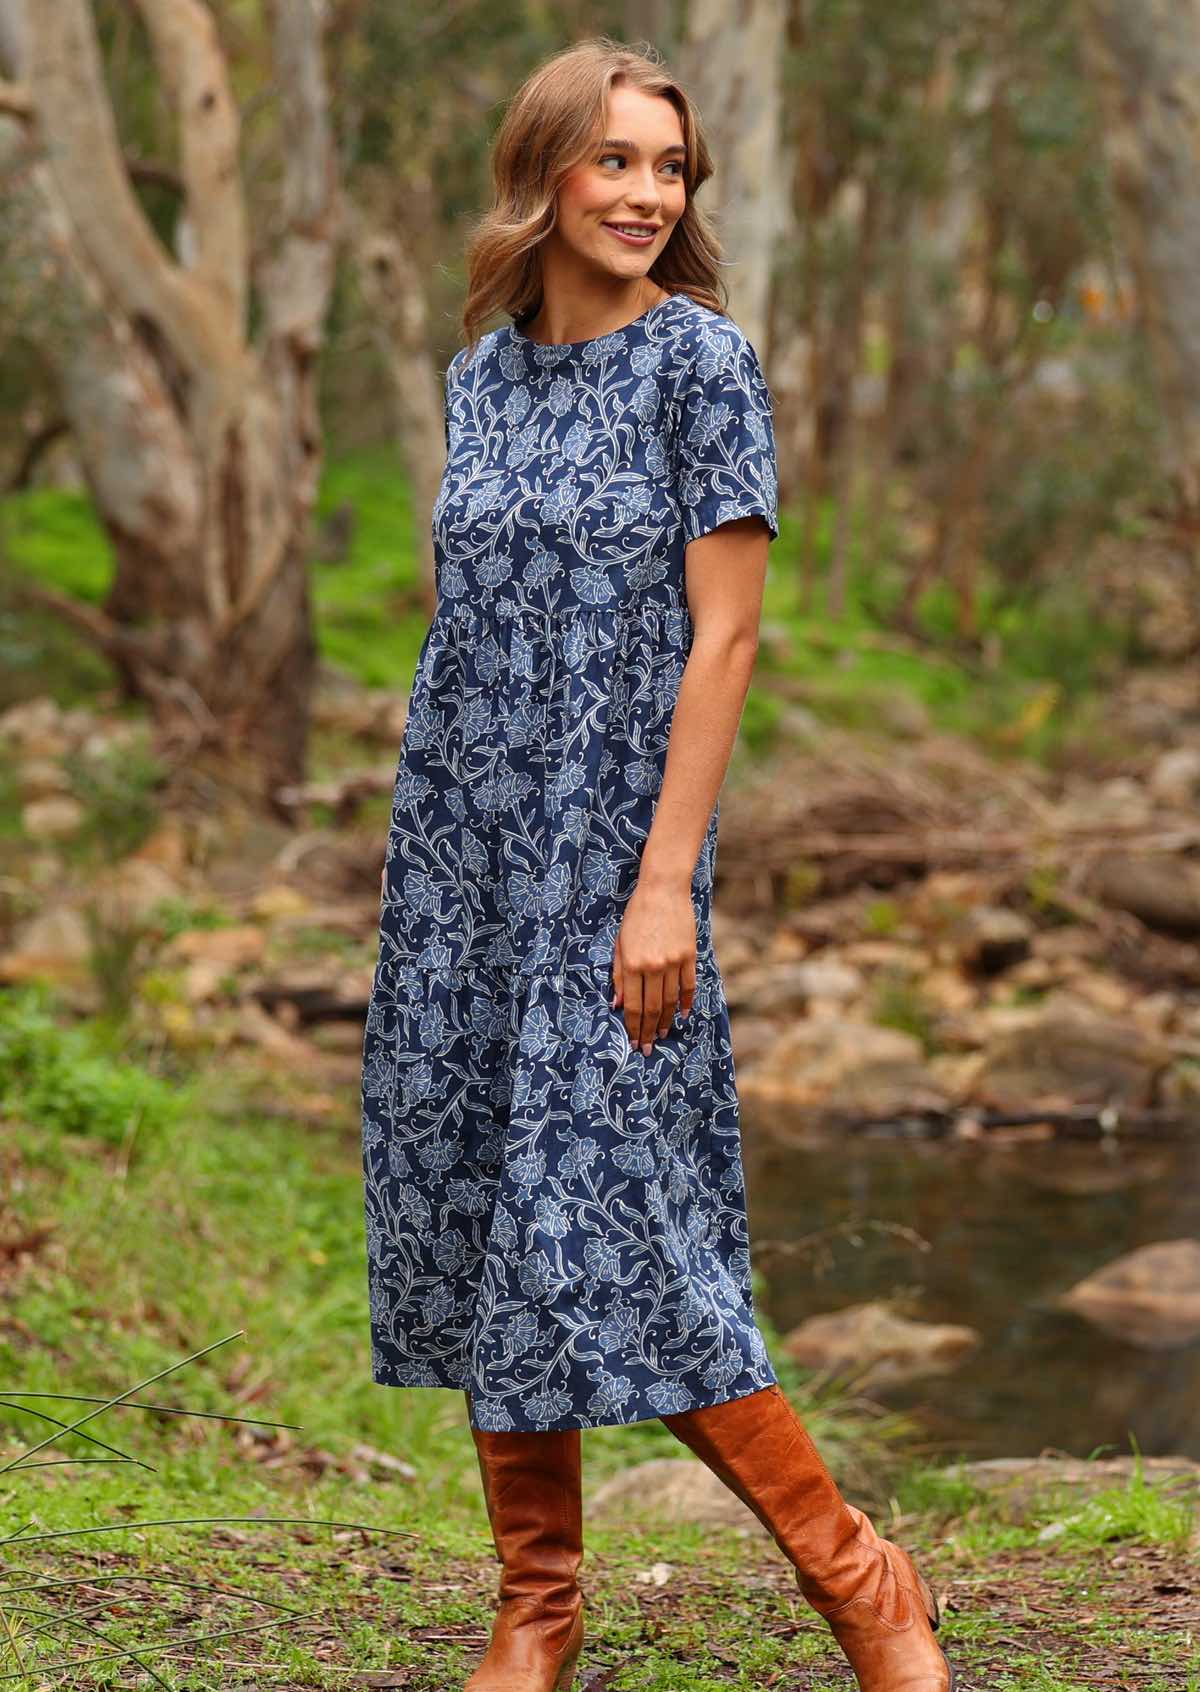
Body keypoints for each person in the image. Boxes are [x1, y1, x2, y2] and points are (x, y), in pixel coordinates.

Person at [360, 34, 957, 1692]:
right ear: (546, 168)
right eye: (615, 159)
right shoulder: (481, 374)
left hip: (615, 855)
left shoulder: (705, 364)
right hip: (466, 860)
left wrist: (656, 881)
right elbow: (468, 628)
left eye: (669, 167)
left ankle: (864, 1583)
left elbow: (727, 641)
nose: (645, 192)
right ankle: (535, 1608)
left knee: (628, 1227)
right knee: (485, 1202)